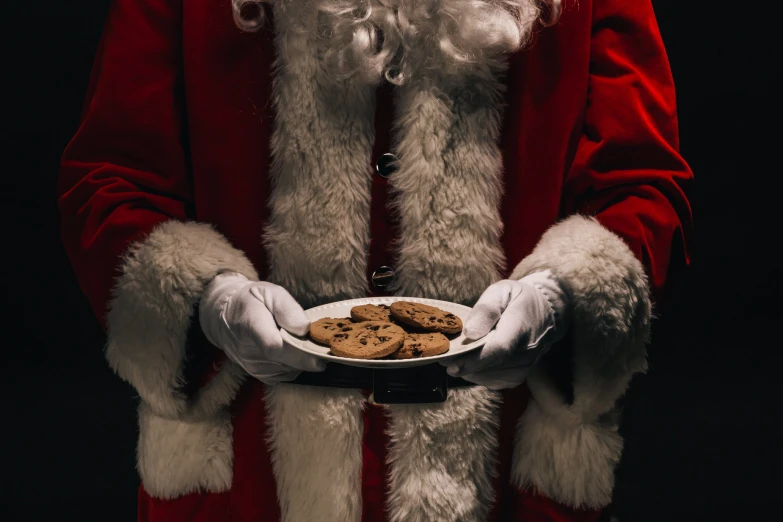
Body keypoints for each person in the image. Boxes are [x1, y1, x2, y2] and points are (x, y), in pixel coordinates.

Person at [57, 0, 693, 520]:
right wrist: (207, 302)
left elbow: (640, 188)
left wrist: (562, 298)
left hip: (504, 484)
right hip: (247, 485)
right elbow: (114, 182)